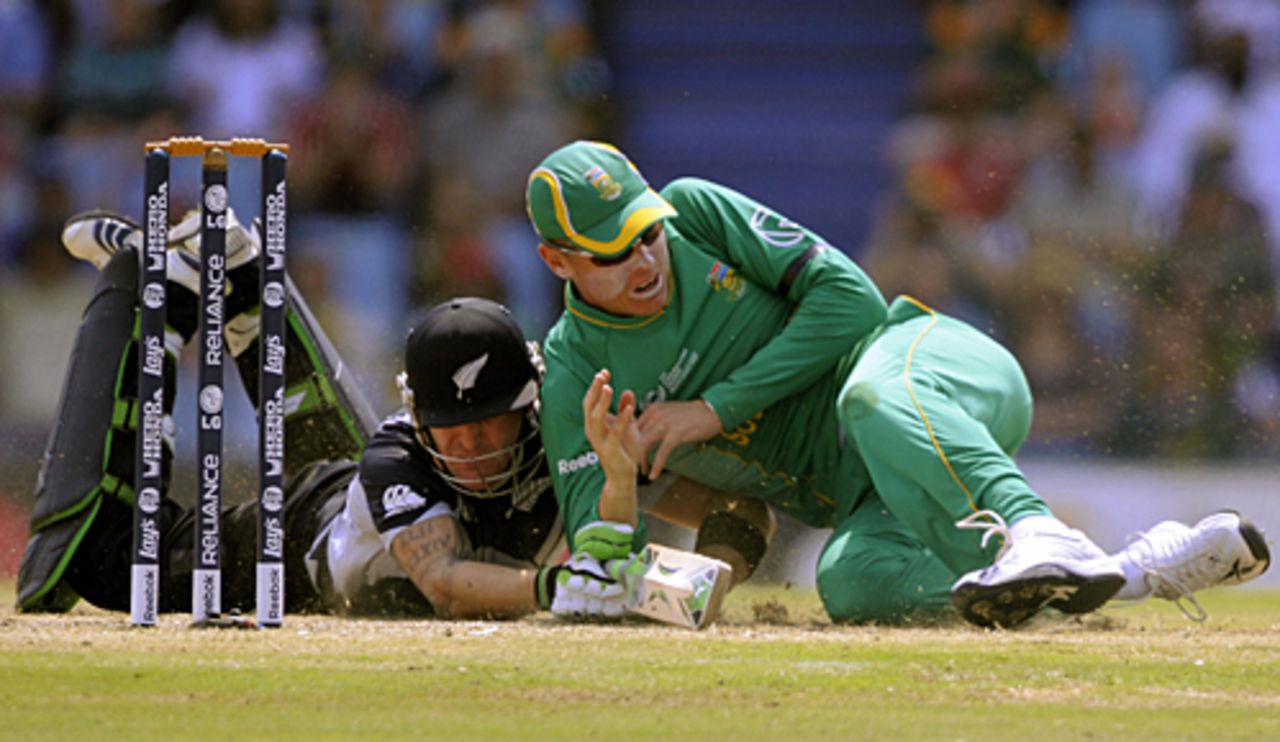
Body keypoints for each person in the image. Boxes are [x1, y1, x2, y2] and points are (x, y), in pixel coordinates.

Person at [524, 139, 1271, 629]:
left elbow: (853, 302)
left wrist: (710, 412)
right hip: (869, 501)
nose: (648, 259)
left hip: (929, 366)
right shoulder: (572, 376)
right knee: (850, 580)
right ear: (558, 261)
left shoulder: (695, 211)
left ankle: (1032, 524)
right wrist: (622, 483)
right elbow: (603, 566)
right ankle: (1125, 569)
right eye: (615, 251)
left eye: (647, 232)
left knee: (868, 396)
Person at [17, 209, 770, 621]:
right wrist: (559, 585)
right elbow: (441, 580)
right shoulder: (400, 454)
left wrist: (707, 584)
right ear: (422, 418)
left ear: (530, 406)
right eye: (453, 427)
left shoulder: (571, 437)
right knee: (103, 566)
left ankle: (242, 273)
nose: (473, 445)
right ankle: (138, 274)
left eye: (491, 423)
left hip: (354, 503)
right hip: (289, 546)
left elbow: (742, 505)